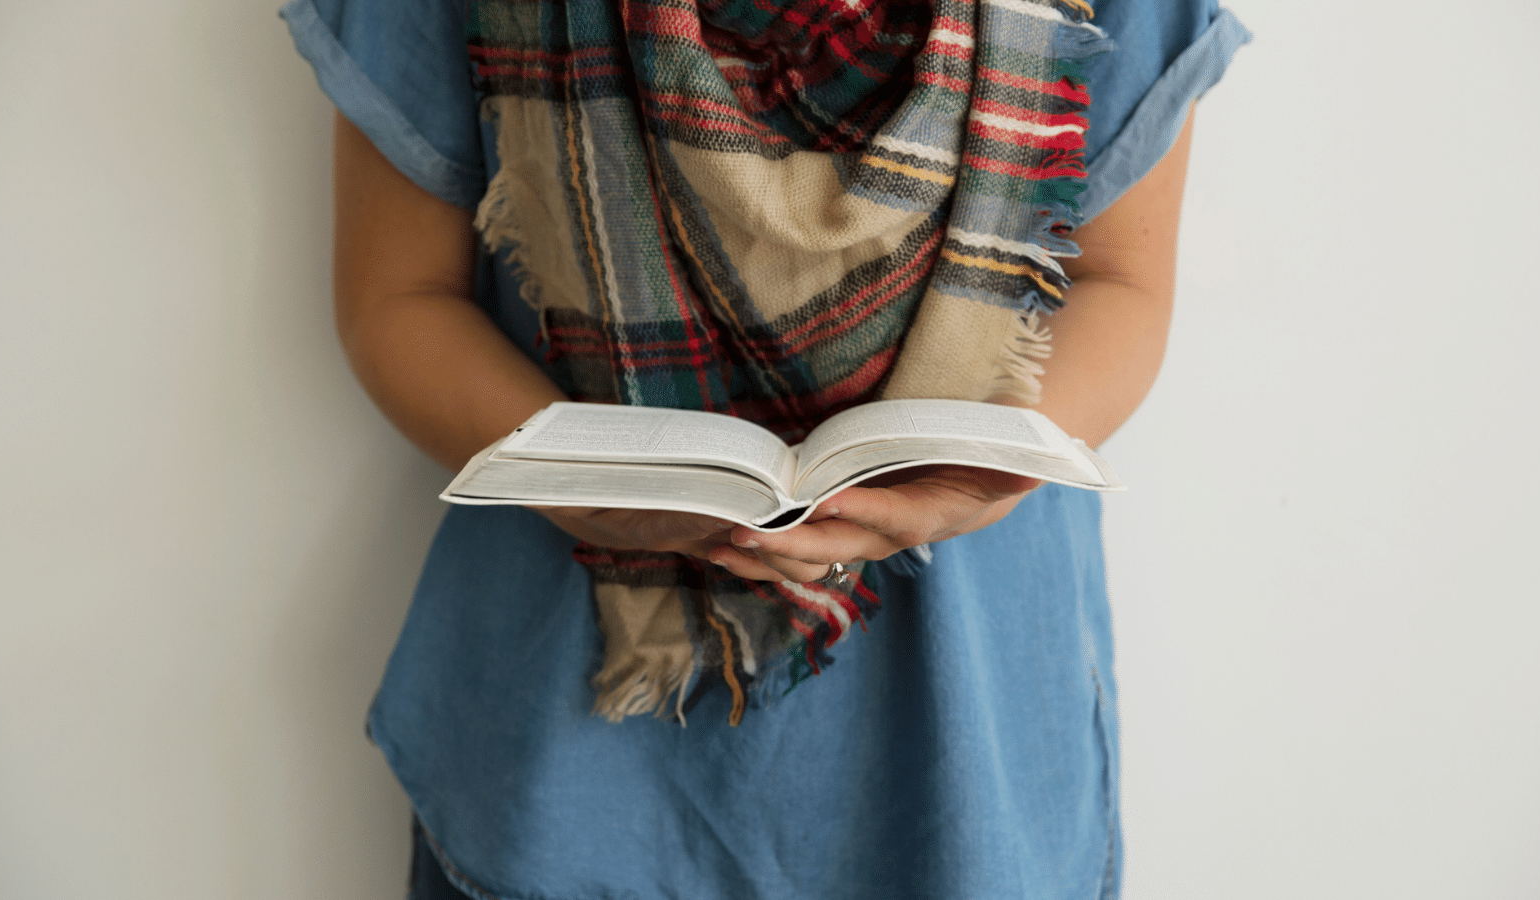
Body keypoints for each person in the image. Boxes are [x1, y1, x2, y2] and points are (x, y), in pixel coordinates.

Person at [283, 0, 1248, 896]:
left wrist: (988, 476)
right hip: (567, 752)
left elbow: (1119, 279)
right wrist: (579, 480)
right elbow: (398, 296)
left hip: (963, 742)